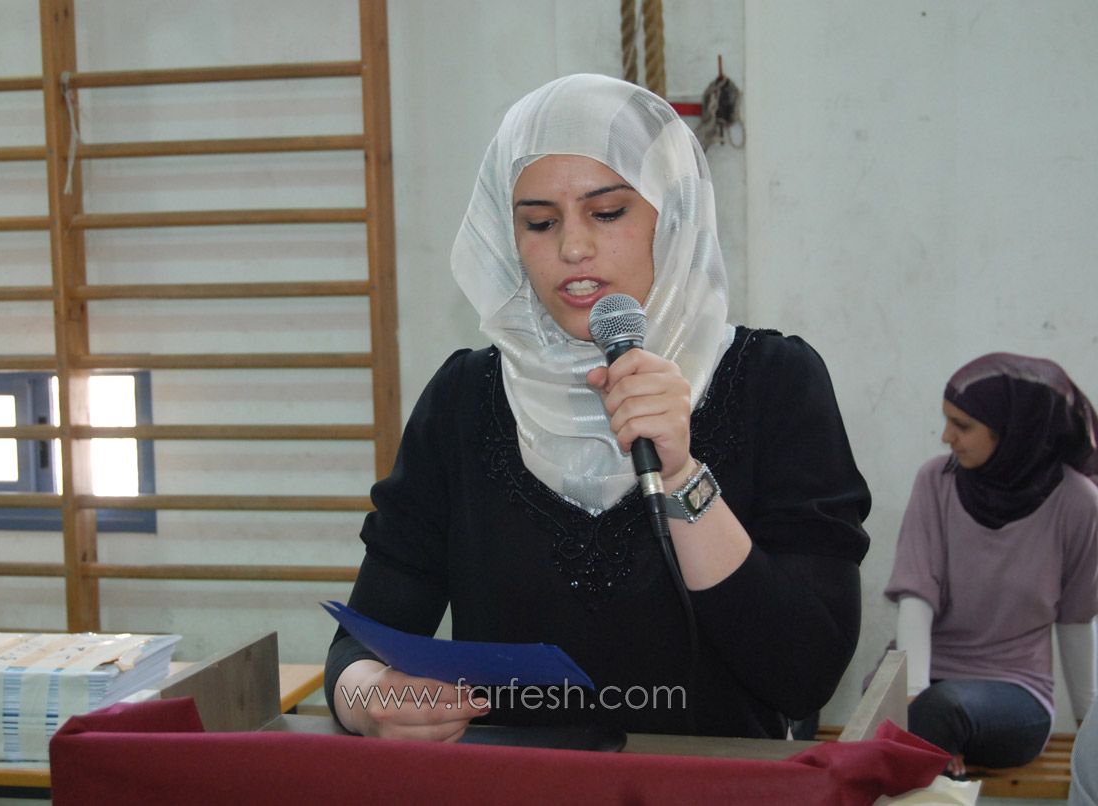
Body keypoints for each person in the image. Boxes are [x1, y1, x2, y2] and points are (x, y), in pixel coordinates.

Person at [324, 73, 871, 742]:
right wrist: (370, 700)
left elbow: (805, 673)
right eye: (539, 222)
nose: (573, 248)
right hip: (517, 786)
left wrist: (681, 476)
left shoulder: (774, 383)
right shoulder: (464, 400)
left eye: (607, 213)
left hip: (712, 787)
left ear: (671, 214)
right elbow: (360, 645)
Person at [886, 353, 1098, 777]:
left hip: (1016, 695)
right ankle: (934, 745)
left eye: (962, 426)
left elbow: (1077, 621)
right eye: (946, 421)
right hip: (925, 684)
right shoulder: (936, 482)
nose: (946, 436)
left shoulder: (1079, 503)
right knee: (921, 710)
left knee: (943, 711)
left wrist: (1089, 728)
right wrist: (914, 708)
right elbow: (916, 598)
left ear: (1016, 429)